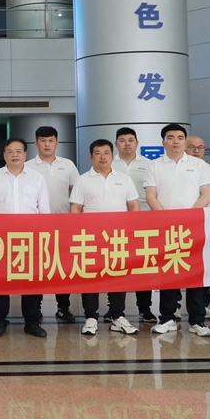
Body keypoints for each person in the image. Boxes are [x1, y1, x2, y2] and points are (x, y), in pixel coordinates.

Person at [145, 124, 210, 337]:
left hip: (194, 226)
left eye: (180, 137)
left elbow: (206, 194)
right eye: (171, 137)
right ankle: (167, 319)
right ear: (163, 142)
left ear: (185, 141)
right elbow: (151, 196)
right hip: (166, 227)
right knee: (168, 273)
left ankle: (197, 321)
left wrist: (189, 218)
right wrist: (166, 219)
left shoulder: (199, 165)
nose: (176, 141)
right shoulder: (154, 165)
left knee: (195, 274)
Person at [69, 139, 140, 336]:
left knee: (117, 276)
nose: (102, 157)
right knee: (90, 277)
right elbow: (76, 208)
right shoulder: (83, 180)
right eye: (98, 153)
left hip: (118, 237)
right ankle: (91, 317)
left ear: (112, 156)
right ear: (91, 157)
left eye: (106, 152)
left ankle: (118, 317)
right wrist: (78, 233)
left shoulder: (124, 179)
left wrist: (133, 230)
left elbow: (133, 205)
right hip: (91, 237)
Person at [0, 138, 50, 338]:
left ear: (25, 154)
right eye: (10, 151)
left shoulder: (37, 178)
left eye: (19, 151)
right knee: (1, 280)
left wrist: (43, 237)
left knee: (31, 280)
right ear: (4, 155)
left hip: (31, 237)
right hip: (0, 238)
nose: (14, 155)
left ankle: (32, 322)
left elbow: (44, 211)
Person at [25, 126, 79, 324]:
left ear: (57, 142)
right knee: (37, 267)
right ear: (36, 143)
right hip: (36, 224)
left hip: (63, 224)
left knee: (62, 267)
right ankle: (36, 309)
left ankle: (63, 308)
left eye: (50, 140)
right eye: (42, 140)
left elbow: (77, 192)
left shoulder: (68, 165)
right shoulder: (28, 166)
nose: (47, 144)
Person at [112, 127, 156, 323]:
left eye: (131, 140)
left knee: (142, 265)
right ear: (116, 144)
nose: (127, 144)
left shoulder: (149, 165)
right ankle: (113, 309)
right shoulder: (109, 163)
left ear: (137, 143)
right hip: (116, 223)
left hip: (144, 221)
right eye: (122, 140)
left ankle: (145, 308)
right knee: (116, 265)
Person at [185, 134, 210, 321]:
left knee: (202, 267)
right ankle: (174, 307)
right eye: (192, 147)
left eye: (200, 147)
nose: (196, 151)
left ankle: (203, 306)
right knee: (174, 264)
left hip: (203, 224)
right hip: (177, 224)